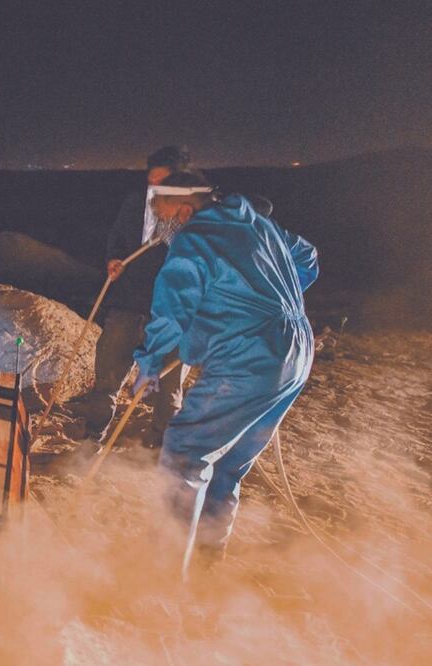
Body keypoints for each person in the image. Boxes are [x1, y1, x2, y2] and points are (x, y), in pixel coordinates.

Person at [132, 170, 317, 572]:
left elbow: (171, 311)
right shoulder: (259, 224)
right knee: (228, 462)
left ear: (184, 209)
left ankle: (161, 576)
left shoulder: (194, 238)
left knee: (186, 452)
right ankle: (206, 563)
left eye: (162, 213)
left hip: (248, 356)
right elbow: (307, 257)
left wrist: (148, 365)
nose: (161, 224)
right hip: (297, 352)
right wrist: (270, 301)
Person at [68, 146, 191, 446]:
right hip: (127, 305)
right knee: (107, 377)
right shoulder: (136, 203)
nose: (155, 187)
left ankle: (160, 445)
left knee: (169, 387)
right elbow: (117, 238)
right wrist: (114, 258)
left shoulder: (195, 215)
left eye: (163, 181)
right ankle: (93, 436)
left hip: (173, 315)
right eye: (152, 180)